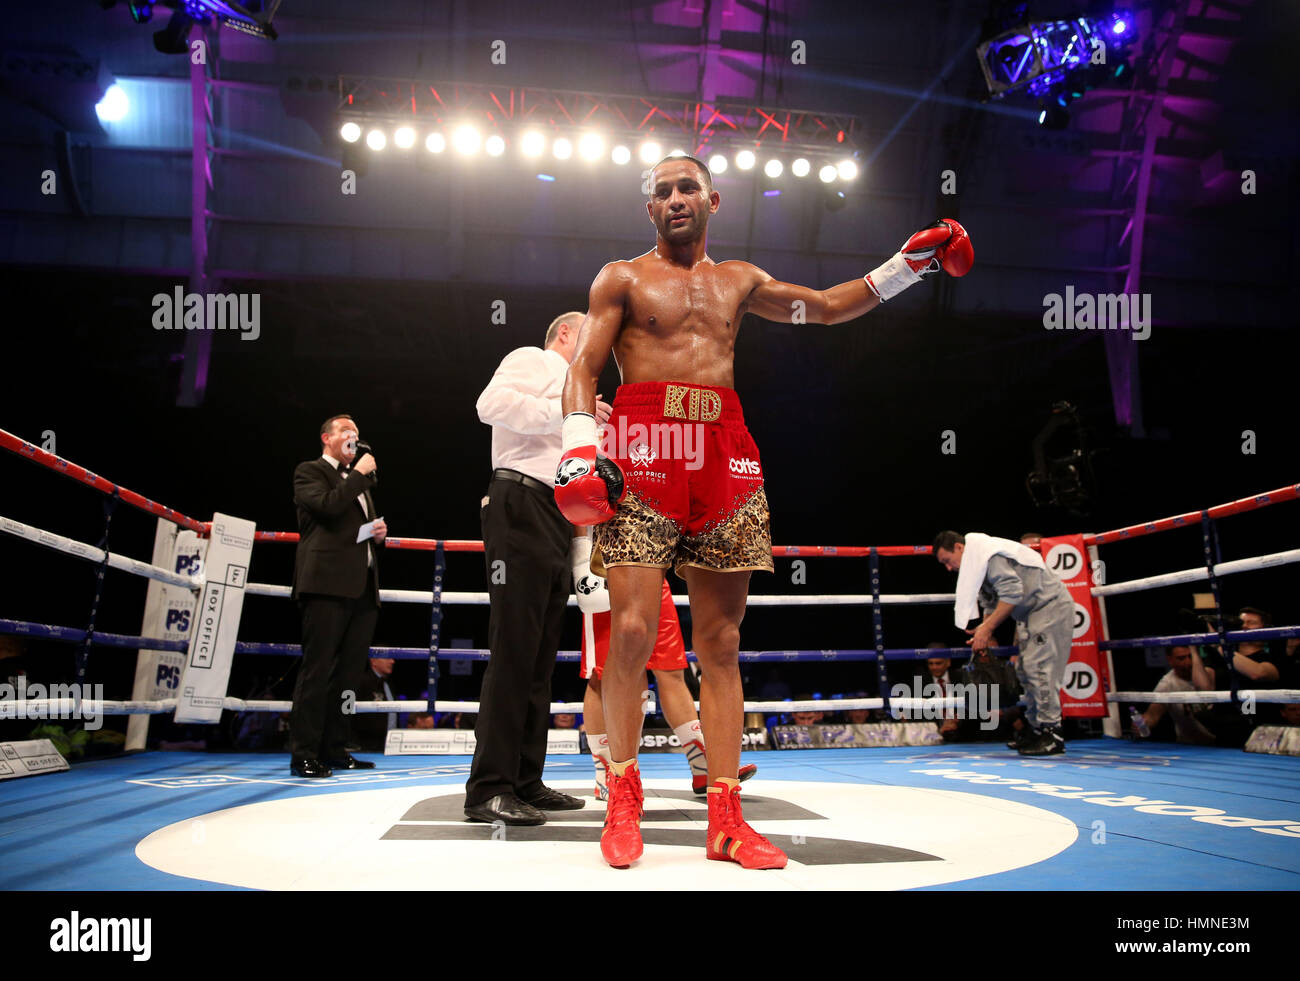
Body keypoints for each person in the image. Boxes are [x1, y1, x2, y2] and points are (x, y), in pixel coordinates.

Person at [555, 152, 973, 869]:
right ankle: (623, 799)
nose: (675, 198)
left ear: (713, 199)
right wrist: (576, 447)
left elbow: (832, 306)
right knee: (628, 633)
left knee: (719, 643)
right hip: (645, 449)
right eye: (661, 192)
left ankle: (726, 817)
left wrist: (908, 264)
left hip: (725, 454)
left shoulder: (740, 280)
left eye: (687, 187)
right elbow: (583, 368)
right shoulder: (619, 277)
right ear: (648, 209)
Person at [464, 312, 611, 826]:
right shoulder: (533, 359)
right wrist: (569, 410)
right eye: (588, 333)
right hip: (518, 502)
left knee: (541, 654)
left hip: (558, 514)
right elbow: (490, 405)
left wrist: (595, 430)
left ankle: (525, 778)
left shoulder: (581, 393)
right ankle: (488, 788)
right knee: (514, 649)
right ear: (566, 334)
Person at [571, 531, 756, 799]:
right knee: (604, 671)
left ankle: (701, 761)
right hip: (607, 563)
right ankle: (607, 771)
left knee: (670, 666)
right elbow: (579, 500)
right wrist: (581, 558)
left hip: (652, 565)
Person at [288, 414, 386, 778]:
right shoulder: (309, 471)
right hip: (325, 585)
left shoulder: (360, 482)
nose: (353, 436)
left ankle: (335, 748)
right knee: (317, 670)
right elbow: (327, 509)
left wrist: (376, 534)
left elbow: (349, 530)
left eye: (357, 432)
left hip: (360, 587)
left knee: (347, 675)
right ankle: (304, 754)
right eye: (346, 431)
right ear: (327, 437)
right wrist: (359, 475)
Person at [934, 529, 1072, 756]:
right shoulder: (976, 565)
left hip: (1049, 607)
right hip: (1031, 614)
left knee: (1039, 668)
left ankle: (1052, 733)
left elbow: (1012, 593)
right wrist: (983, 630)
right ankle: (1037, 729)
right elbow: (991, 602)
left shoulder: (990, 555)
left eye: (947, 561)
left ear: (959, 548)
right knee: (1024, 671)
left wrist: (987, 628)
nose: (949, 568)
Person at [1134, 645, 1217, 745]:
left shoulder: (1209, 673)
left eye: (1190, 656)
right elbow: (1152, 716)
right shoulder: (1167, 684)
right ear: (1170, 660)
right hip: (1189, 746)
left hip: (1221, 742)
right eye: (1181, 658)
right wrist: (1141, 724)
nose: (1188, 662)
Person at [353, 656, 397, 752]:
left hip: (387, 744)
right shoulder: (361, 681)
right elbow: (348, 711)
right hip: (366, 745)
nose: (392, 661)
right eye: (387, 658)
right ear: (374, 661)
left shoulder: (388, 683)